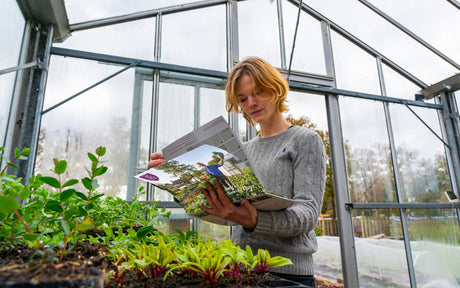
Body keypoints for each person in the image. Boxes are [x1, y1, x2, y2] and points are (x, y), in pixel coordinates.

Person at [149, 56, 326, 287]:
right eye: (242, 99)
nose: (251, 103)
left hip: (287, 276)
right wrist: (174, 178)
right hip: (240, 269)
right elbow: (215, 198)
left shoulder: (304, 141)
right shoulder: (242, 151)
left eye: (258, 92)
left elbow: (308, 213)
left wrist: (255, 220)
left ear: (275, 89)